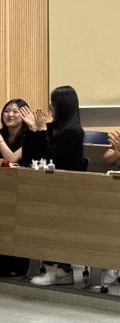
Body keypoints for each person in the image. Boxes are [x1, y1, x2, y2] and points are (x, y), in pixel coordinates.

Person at [22, 86, 86, 286]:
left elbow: (51, 157)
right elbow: (31, 155)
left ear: (62, 105)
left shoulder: (74, 132)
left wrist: (41, 130)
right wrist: (32, 130)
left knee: (56, 223)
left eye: (53, 102)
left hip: (67, 188)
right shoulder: (51, 127)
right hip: (47, 185)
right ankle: (50, 267)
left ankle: (61, 270)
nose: (50, 106)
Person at [0, 98, 28, 164]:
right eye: (6, 111)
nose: (10, 114)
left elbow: (12, 160)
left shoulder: (30, 136)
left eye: (15, 112)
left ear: (25, 115)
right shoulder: (1, 133)